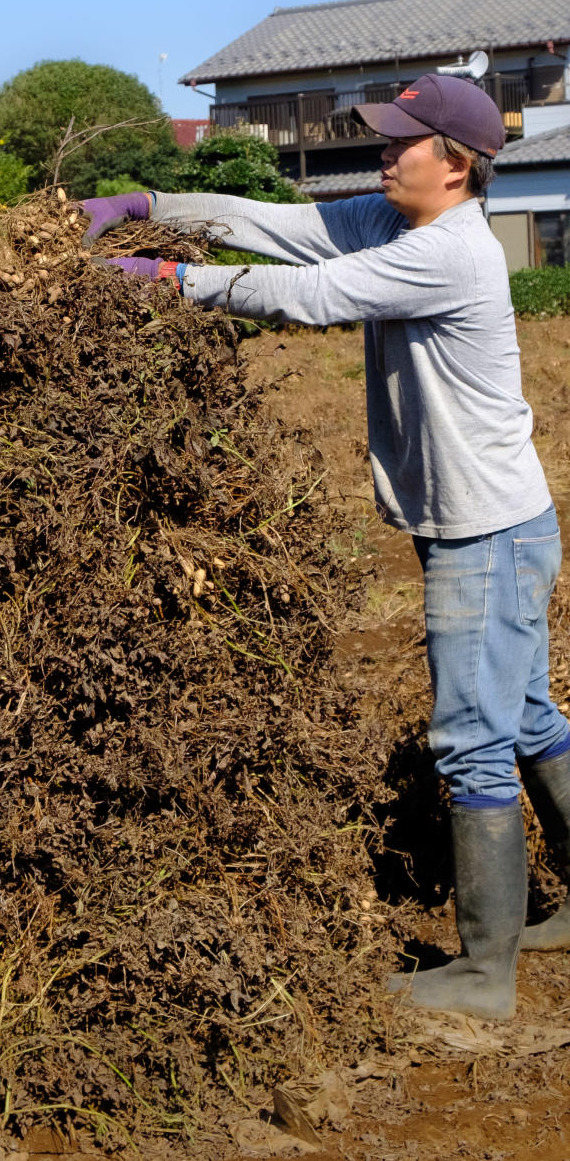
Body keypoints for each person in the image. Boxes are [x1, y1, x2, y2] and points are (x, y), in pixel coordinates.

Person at [78, 73, 570, 1021]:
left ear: (456, 164)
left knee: (472, 739)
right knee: (532, 715)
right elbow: (280, 227)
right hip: (488, 524)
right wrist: (152, 205)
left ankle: (483, 972)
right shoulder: (397, 223)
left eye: (403, 142)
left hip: (488, 533)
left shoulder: (451, 255)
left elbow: (309, 294)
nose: (385, 153)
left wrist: (170, 281)